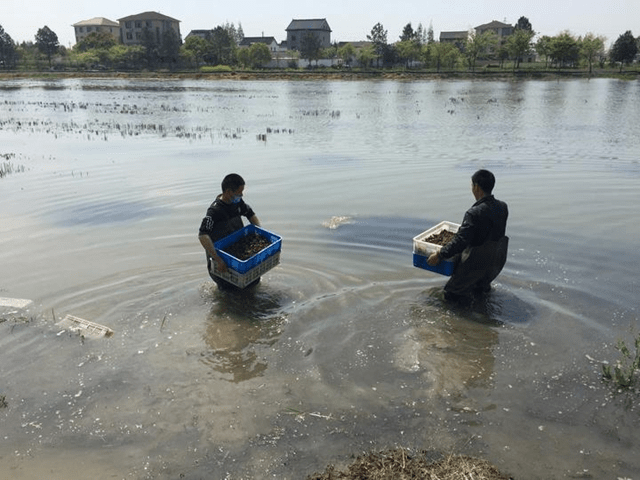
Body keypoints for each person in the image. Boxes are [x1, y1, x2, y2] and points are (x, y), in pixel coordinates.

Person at [427, 169, 509, 303]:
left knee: (451, 293)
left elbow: (461, 241)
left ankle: (465, 320)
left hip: (477, 262)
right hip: (496, 261)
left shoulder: (474, 213)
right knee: (479, 291)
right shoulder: (503, 207)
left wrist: (440, 254)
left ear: (476, 187)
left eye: (472, 185)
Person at [198, 173, 261, 289]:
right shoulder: (215, 211)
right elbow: (202, 235)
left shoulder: (237, 203)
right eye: (239, 192)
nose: (241, 195)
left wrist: (260, 232)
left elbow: (251, 215)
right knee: (230, 292)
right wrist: (217, 259)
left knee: (253, 284)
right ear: (228, 192)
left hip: (239, 253)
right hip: (222, 260)